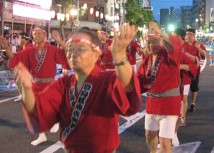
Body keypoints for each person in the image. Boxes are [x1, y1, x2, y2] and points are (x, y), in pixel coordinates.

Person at [15, 24, 141, 153]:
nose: (73, 54)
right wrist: (26, 89)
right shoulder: (63, 83)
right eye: (70, 49)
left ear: (96, 53)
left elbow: (129, 98)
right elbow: (39, 111)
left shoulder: (107, 79)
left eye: (80, 49)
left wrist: (119, 56)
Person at [0, 27, 69, 146]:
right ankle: (42, 136)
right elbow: (14, 58)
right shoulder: (29, 51)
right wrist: (6, 47)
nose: (36, 35)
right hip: (35, 84)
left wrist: (59, 40)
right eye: (34, 34)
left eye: (39, 33)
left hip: (50, 83)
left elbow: (68, 53)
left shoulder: (52, 49)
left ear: (45, 34)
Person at [138, 22, 182, 153]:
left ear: (162, 41)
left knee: (164, 140)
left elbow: (177, 44)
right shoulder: (147, 59)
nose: (151, 45)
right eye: (149, 42)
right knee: (149, 135)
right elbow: (140, 79)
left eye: (155, 41)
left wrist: (159, 31)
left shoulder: (169, 55)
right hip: (152, 102)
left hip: (169, 103)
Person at [185, 28, 206, 113]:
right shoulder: (184, 43)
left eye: (190, 35)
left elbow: (204, 55)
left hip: (194, 71)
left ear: (194, 35)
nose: (188, 36)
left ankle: (193, 103)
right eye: (187, 34)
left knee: (194, 88)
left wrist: (199, 49)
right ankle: (183, 104)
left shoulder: (198, 44)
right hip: (184, 71)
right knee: (183, 90)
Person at [13, 32, 32, 102]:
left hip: (28, 69)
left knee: (22, 82)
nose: (18, 39)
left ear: (24, 38)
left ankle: (24, 96)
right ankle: (22, 94)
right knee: (18, 82)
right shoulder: (21, 46)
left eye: (19, 38)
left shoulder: (30, 47)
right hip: (21, 67)